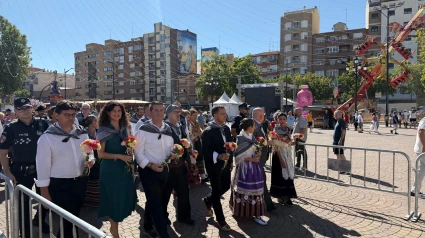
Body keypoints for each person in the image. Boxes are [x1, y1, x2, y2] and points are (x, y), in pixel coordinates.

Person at [35, 101, 94, 238]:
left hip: (80, 182)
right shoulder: (47, 137)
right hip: (59, 184)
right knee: (69, 219)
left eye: (73, 114)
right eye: (66, 114)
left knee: (73, 217)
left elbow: (89, 151)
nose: (71, 118)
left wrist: (91, 159)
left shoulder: (82, 133)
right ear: (56, 115)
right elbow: (42, 166)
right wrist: (44, 192)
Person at [0, 98, 50, 237]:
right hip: (21, 171)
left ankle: (39, 219)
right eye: (21, 108)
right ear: (16, 111)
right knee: (23, 206)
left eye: (27, 107)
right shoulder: (11, 128)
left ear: (32, 108)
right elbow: (3, 152)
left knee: (46, 200)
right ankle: (25, 233)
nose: (25, 111)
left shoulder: (43, 124)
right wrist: (7, 172)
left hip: (42, 170)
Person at [96, 101, 137, 237]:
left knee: (122, 197)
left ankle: (115, 227)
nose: (117, 113)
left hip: (124, 169)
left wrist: (131, 164)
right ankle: (115, 230)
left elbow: (130, 149)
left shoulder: (126, 127)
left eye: (119, 111)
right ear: (108, 113)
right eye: (114, 111)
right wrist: (119, 156)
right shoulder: (103, 130)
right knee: (113, 198)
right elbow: (100, 154)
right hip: (110, 169)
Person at [134, 101, 173, 238]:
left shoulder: (168, 129)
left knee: (154, 199)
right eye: (156, 110)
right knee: (156, 203)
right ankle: (163, 234)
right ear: (150, 112)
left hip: (164, 170)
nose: (159, 113)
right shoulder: (143, 130)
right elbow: (138, 152)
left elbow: (169, 149)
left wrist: (173, 154)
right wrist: (150, 165)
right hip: (148, 171)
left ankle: (147, 226)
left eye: (162, 110)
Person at [162, 105, 195, 225]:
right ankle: (163, 217)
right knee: (165, 193)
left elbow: (184, 140)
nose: (178, 115)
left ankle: (184, 216)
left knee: (184, 192)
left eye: (179, 113)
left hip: (180, 165)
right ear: (169, 113)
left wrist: (189, 149)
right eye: (176, 112)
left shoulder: (180, 126)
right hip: (168, 167)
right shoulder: (164, 127)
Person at [202, 105, 233, 231]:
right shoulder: (208, 131)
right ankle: (221, 220)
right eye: (222, 114)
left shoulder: (226, 128)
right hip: (214, 165)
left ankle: (208, 200)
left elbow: (230, 145)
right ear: (215, 115)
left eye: (225, 114)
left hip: (225, 164)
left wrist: (230, 161)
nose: (225, 116)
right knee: (216, 190)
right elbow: (206, 151)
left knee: (226, 186)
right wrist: (218, 156)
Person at [230, 118, 267, 225]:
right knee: (244, 189)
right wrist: (251, 159)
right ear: (250, 127)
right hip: (244, 169)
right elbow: (237, 157)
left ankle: (257, 214)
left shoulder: (252, 137)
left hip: (254, 168)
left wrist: (258, 153)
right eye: (253, 126)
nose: (254, 128)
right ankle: (240, 211)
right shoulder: (240, 138)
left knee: (257, 189)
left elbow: (255, 148)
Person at [270, 112, 297, 206]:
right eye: (280, 119)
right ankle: (282, 196)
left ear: (286, 120)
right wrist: (281, 159)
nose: (282, 121)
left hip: (287, 154)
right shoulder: (275, 130)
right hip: (279, 154)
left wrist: (295, 140)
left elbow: (289, 142)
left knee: (289, 174)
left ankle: (287, 196)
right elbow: (275, 146)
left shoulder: (289, 129)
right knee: (280, 175)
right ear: (277, 120)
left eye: (283, 119)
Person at [252, 108, 275, 212]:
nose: (264, 116)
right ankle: (268, 204)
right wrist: (267, 142)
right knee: (262, 180)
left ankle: (266, 203)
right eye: (263, 115)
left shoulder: (258, 125)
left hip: (260, 158)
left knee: (261, 180)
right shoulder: (255, 127)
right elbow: (255, 143)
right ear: (260, 116)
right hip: (258, 159)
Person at [81, 115, 100, 207]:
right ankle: (88, 200)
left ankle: (96, 200)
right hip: (88, 156)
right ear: (90, 123)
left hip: (98, 157)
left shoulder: (98, 132)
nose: (97, 122)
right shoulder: (84, 133)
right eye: (95, 120)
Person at [188, 109, 206, 183]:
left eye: (196, 115)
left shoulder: (196, 123)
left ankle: (202, 175)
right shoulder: (188, 123)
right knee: (193, 159)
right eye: (194, 115)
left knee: (200, 157)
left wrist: (198, 135)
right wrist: (195, 136)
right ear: (190, 115)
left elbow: (200, 132)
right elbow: (189, 134)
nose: (195, 117)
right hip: (192, 143)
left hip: (197, 142)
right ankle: (194, 177)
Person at [411, 116, 425, 196]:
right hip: (422, 149)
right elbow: (421, 131)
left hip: (420, 149)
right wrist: (424, 145)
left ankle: (414, 190)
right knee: (421, 170)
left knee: (421, 171)